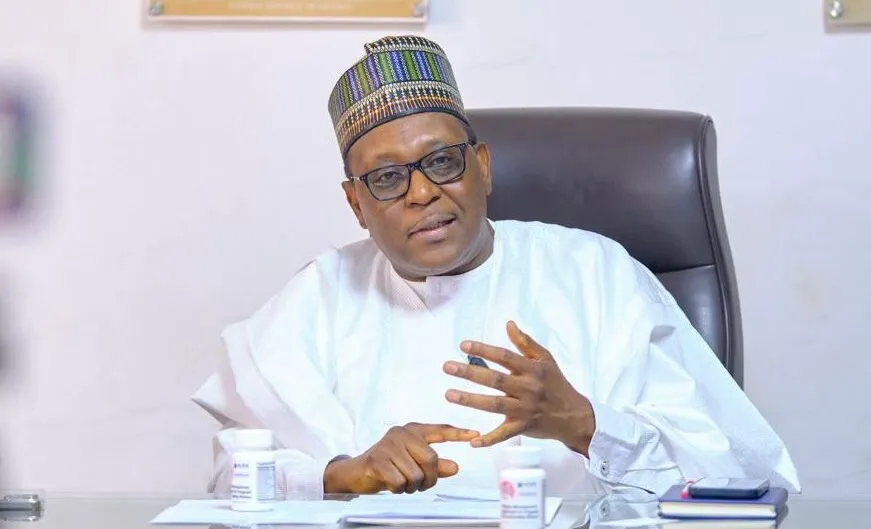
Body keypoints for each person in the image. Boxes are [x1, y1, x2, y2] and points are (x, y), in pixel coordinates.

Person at [193, 35, 800, 500]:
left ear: (482, 166)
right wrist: (344, 473)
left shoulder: (595, 274)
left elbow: (735, 471)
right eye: (387, 178)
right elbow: (231, 478)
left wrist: (584, 424)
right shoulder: (319, 296)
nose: (421, 193)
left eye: (441, 162)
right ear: (356, 205)